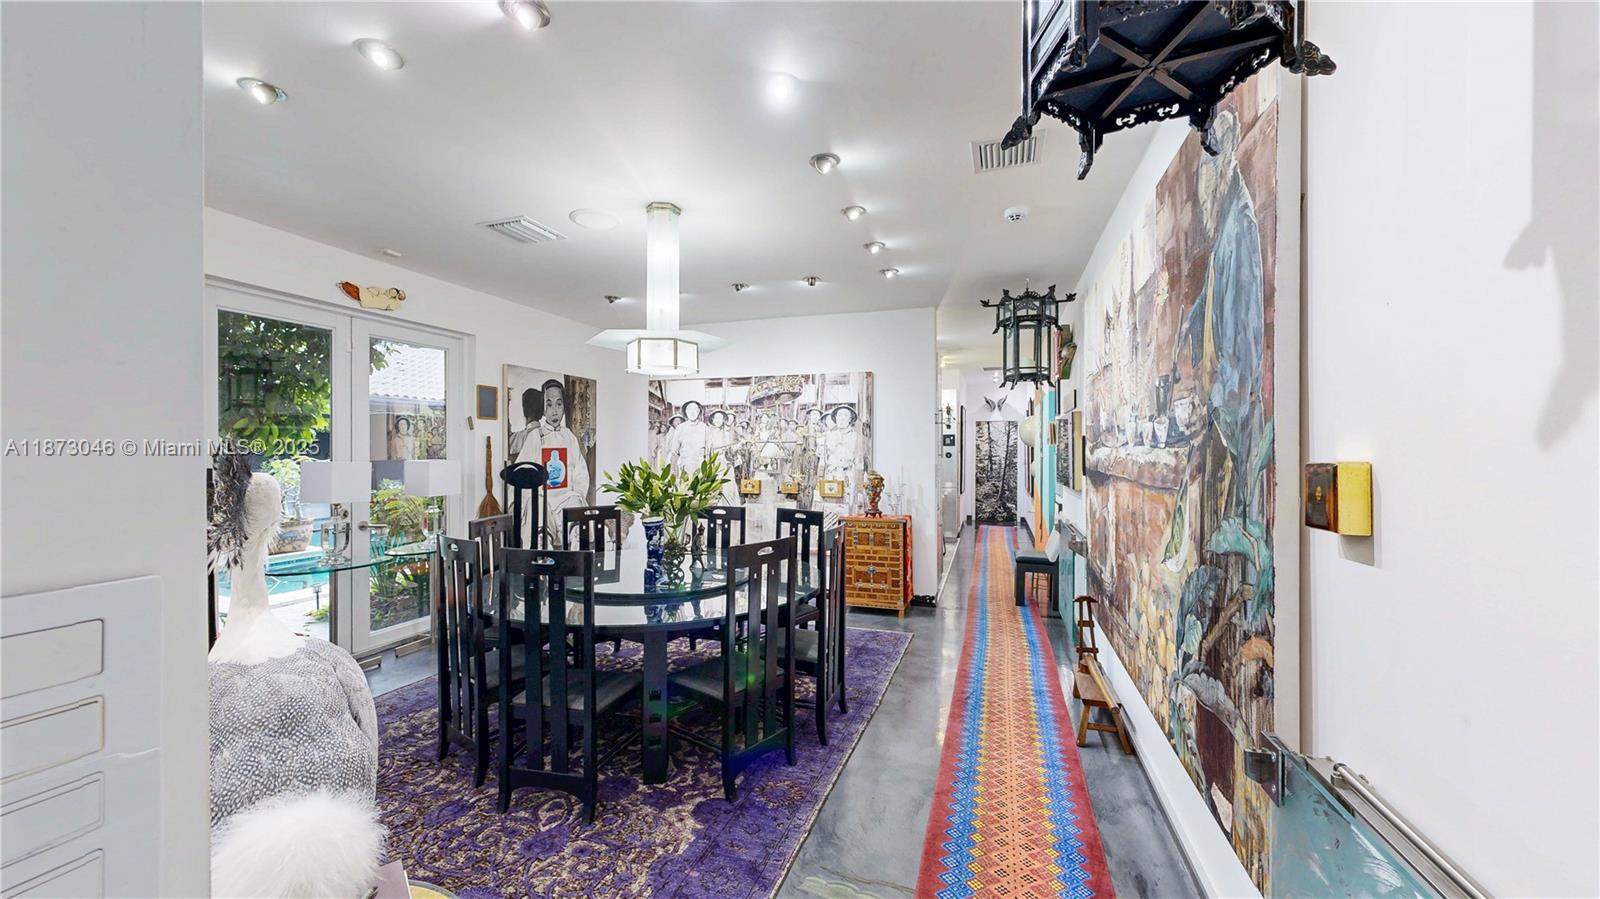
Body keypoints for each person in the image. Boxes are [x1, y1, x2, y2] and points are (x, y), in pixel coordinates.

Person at [514, 378, 591, 529]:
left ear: (564, 407)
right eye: (549, 405)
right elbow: (522, 473)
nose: (554, 411)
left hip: (566, 500)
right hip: (543, 500)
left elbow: (581, 473)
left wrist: (576, 494)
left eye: (559, 404)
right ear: (543, 408)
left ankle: (574, 544)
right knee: (537, 509)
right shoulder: (535, 437)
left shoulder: (569, 437)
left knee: (576, 506)